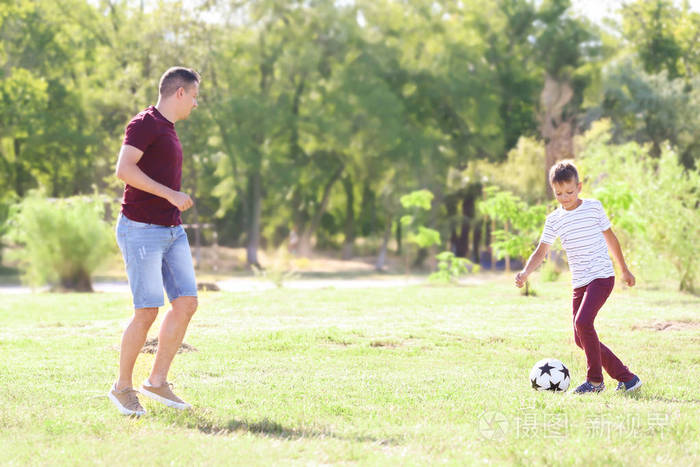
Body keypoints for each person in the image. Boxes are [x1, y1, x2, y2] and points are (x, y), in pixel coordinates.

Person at [108, 67, 200, 416]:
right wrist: (171, 194)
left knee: (187, 303)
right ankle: (122, 388)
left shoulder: (168, 129)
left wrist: (172, 203)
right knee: (146, 310)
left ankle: (157, 381)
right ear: (179, 93)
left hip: (171, 230)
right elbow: (124, 170)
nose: (195, 103)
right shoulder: (145, 123)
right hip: (140, 229)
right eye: (193, 96)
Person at [515, 160, 642, 394]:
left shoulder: (593, 207)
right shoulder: (554, 219)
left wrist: (624, 269)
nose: (565, 197)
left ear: (579, 186)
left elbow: (611, 238)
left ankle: (595, 382)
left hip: (602, 276)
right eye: (559, 193)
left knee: (583, 323)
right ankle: (628, 378)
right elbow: (542, 250)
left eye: (570, 192)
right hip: (580, 281)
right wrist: (525, 272)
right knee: (579, 337)